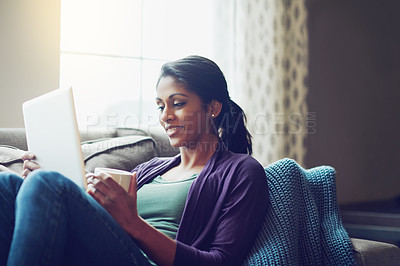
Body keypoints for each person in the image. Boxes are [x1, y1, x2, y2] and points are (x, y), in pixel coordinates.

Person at [0, 55, 268, 266]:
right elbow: (103, 225)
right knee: (7, 185)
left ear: (213, 108)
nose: (165, 116)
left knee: (47, 184)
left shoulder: (241, 171)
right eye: (161, 106)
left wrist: (133, 224)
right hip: (108, 250)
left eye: (177, 103)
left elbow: (220, 261)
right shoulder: (147, 169)